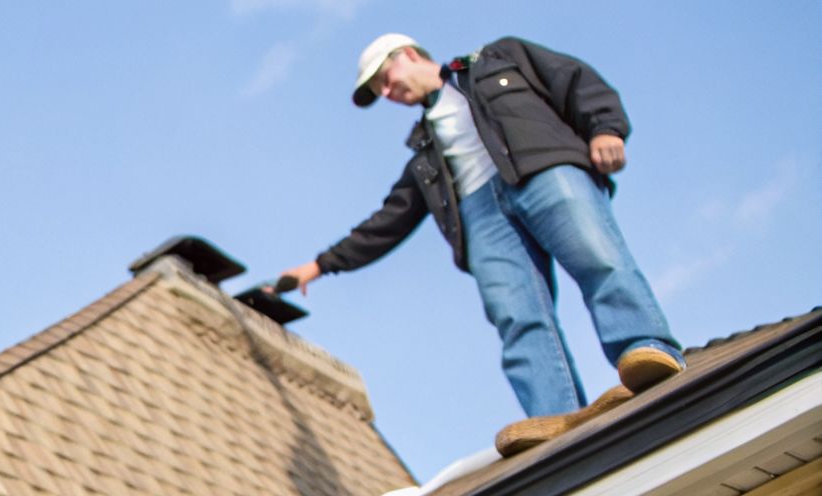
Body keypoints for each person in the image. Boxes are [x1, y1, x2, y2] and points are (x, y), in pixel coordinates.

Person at [274, 33, 685, 455]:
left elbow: (572, 79)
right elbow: (388, 220)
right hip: (480, 213)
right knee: (515, 315)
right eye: (379, 90)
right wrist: (319, 265)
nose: (387, 92)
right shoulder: (425, 148)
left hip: (542, 169)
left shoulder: (497, 59)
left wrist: (605, 128)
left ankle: (645, 349)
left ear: (408, 54)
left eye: (384, 78)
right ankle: (553, 413)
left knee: (598, 258)